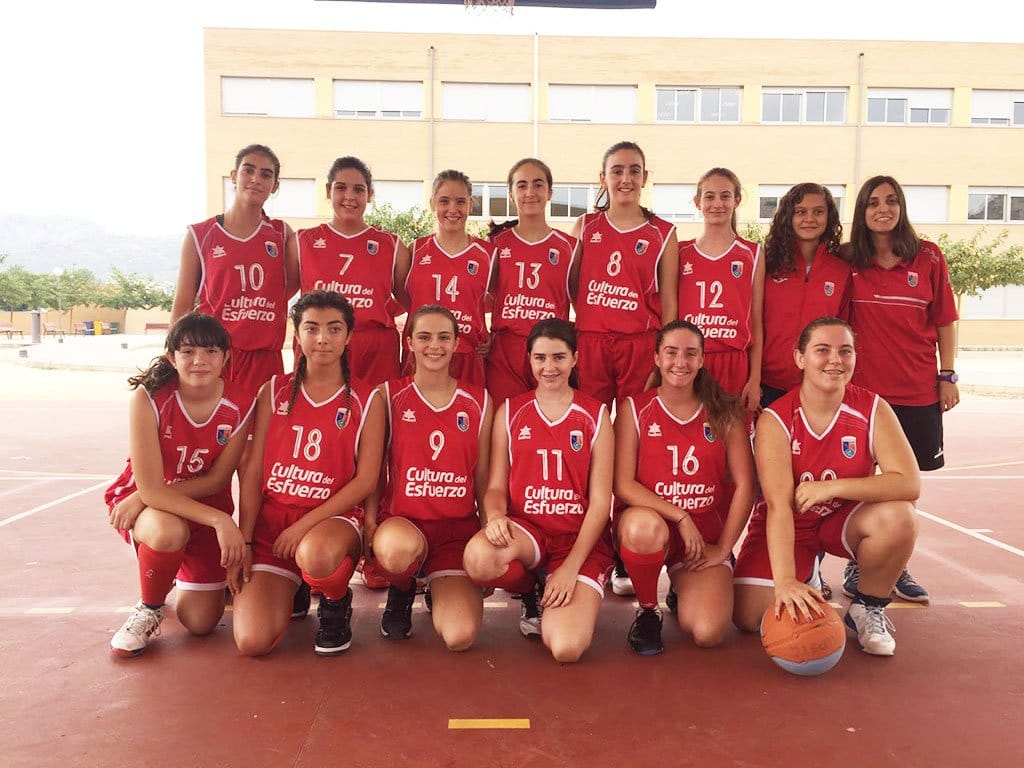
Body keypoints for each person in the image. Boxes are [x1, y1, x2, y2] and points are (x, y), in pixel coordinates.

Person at [733, 317, 920, 657]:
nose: (835, 360)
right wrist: (786, 580)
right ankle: (806, 574)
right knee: (748, 616)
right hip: (792, 526)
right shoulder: (776, 419)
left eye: (845, 351)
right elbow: (778, 506)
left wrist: (830, 488)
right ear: (800, 358)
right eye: (822, 350)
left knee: (901, 517)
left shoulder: (873, 409)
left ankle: (867, 606)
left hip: (844, 520)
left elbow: (908, 482)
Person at [230, 291, 384, 656]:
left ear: (348, 336)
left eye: (334, 329)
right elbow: (253, 472)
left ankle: (335, 601)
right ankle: (295, 585)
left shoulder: (368, 398)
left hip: (331, 521)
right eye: (312, 328)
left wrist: (302, 527)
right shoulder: (273, 390)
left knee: (316, 554)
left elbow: (366, 480)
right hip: (273, 524)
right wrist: (246, 541)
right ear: (297, 334)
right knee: (252, 642)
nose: (323, 338)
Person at [464, 319, 614, 663]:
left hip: (576, 541)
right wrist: (496, 515)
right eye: (540, 358)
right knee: (478, 558)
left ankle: (566, 586)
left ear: (575, 359)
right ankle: (531, 588)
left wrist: (570, 568)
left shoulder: (595, 415)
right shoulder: (510, 412)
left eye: (559, 357)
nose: (549, 367)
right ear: (529, 359)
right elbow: (496, 487)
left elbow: (600, 504)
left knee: (566, 649)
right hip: (528, 533)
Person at [105, 313, 254, 656]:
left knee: (201, 622)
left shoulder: (241, 403)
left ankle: (167, 567)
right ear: (172, 358)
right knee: (168, 532)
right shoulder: (149, 398)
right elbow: (151, 488)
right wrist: (219, 520)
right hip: (150, 502)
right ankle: (149, 605)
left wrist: (148, 497)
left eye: (210, 351)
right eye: (188, 352)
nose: (199, 360)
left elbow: (217, 480)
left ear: (226, 357)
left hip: (198, 500)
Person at [841, 175, 959, 602]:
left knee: (905, 487)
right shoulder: (848, 260)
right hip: (862, 397)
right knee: (859, 483)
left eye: (891, 201)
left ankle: (894, 563)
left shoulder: (928, 256)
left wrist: (947, 375)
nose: (883, 209)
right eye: (873, 202)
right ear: (862, 211)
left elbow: (945, 320)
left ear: (901, 207)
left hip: (916, 392)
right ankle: (859, 564)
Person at [613, 320, 754, 655]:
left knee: (708, 632)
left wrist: (723, 547)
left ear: (702, 360)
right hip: (651, 525)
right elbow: (622, 484)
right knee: (643, 528)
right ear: (657, 358)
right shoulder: (634, 408)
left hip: (702, 536)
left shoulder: (724, 412)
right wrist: (679, 515)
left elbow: (746, 485)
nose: (681, 362)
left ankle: (682, 587)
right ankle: (648, 610)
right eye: (671, 352)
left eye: (690, 354)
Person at [367, 305, 493, 651]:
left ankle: (439, 583)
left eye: (443, 337)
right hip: (403, 523)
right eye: (424, 337)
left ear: (456, 343)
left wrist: (486, 529)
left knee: (460, 637)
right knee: (396, 553)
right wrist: (370, 521)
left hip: (456, 531)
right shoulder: (388, 395)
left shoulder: (479, 401)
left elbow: (483, 476)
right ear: (409, 342)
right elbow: (373, 469)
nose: (434, 346)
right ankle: (403, 587)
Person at [170, 143, 299, 399]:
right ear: (233, 176)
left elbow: (288, 287)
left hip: (264, 359)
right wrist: (173, 359)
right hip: (213, 355)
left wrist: (256, 308)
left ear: (275, 186)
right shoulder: (200, 234)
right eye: (248, 170)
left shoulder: (282, 234)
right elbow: (182, 305)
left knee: (261, 425)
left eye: (265, 174)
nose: (255, 179)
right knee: (212, 424)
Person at [569, 140, 679, 408]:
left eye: (634, 171)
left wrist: (665, 352)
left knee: (635, 419)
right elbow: (571, 286)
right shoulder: (585, 226)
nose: (626, 179)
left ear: (645, 177)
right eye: (617, 171)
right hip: (592, 341)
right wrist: (594, 317)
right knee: (592, 418)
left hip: (640, 344)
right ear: (603, 178)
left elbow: (669, 303)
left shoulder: (663, 232)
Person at [296, 156, 410, 387]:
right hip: (322, 344)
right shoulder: (302, 241)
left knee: (376, 408)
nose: (349, 196)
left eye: (358, 189)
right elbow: (279, 295)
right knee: (319, 409)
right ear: (328, 191)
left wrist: (377, 309)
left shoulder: (392, 245)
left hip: (375, 350)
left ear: (370, 194)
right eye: (341, 188)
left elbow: (409, 300)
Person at [486, 158, 577, 405]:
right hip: (505, 350)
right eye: (522, 185)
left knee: (548, 417)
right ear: (511, 194)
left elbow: (580, 304)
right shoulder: (495, 245)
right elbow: (483, 297)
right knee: (505, 417)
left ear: (550, 192)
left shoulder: (570, 247)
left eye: (538, 185)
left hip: (551, 350)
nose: (530, 192)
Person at [676, 168, 764, 412]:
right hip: (690, 359)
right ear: (697, 202)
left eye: (725, 196)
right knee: (690, 429)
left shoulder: (752, 253)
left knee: (734, 431)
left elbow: (756, 321)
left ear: (737, 200)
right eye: (709, 196)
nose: (717, 204)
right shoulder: (681, 252)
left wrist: (755, 378)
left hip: (733, 360)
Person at [396, 170, 494, 387]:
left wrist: (489, 332)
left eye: (460, 201)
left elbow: (500, 300)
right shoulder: (414, 250)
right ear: (432, 203)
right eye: (444, 201)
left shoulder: (487, 253)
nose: (452, 209)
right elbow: (405, 298)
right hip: (422, 354)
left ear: (470, 204)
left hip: (467, 355)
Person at [761, 183, 852, 407]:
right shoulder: (767, 265)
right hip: (768, 383)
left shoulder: (840, 270)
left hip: (819, 383)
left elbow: (844, 330)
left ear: (829, 217)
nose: (809, 219)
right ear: (788, 217)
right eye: (801, 212)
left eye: (818, 211)